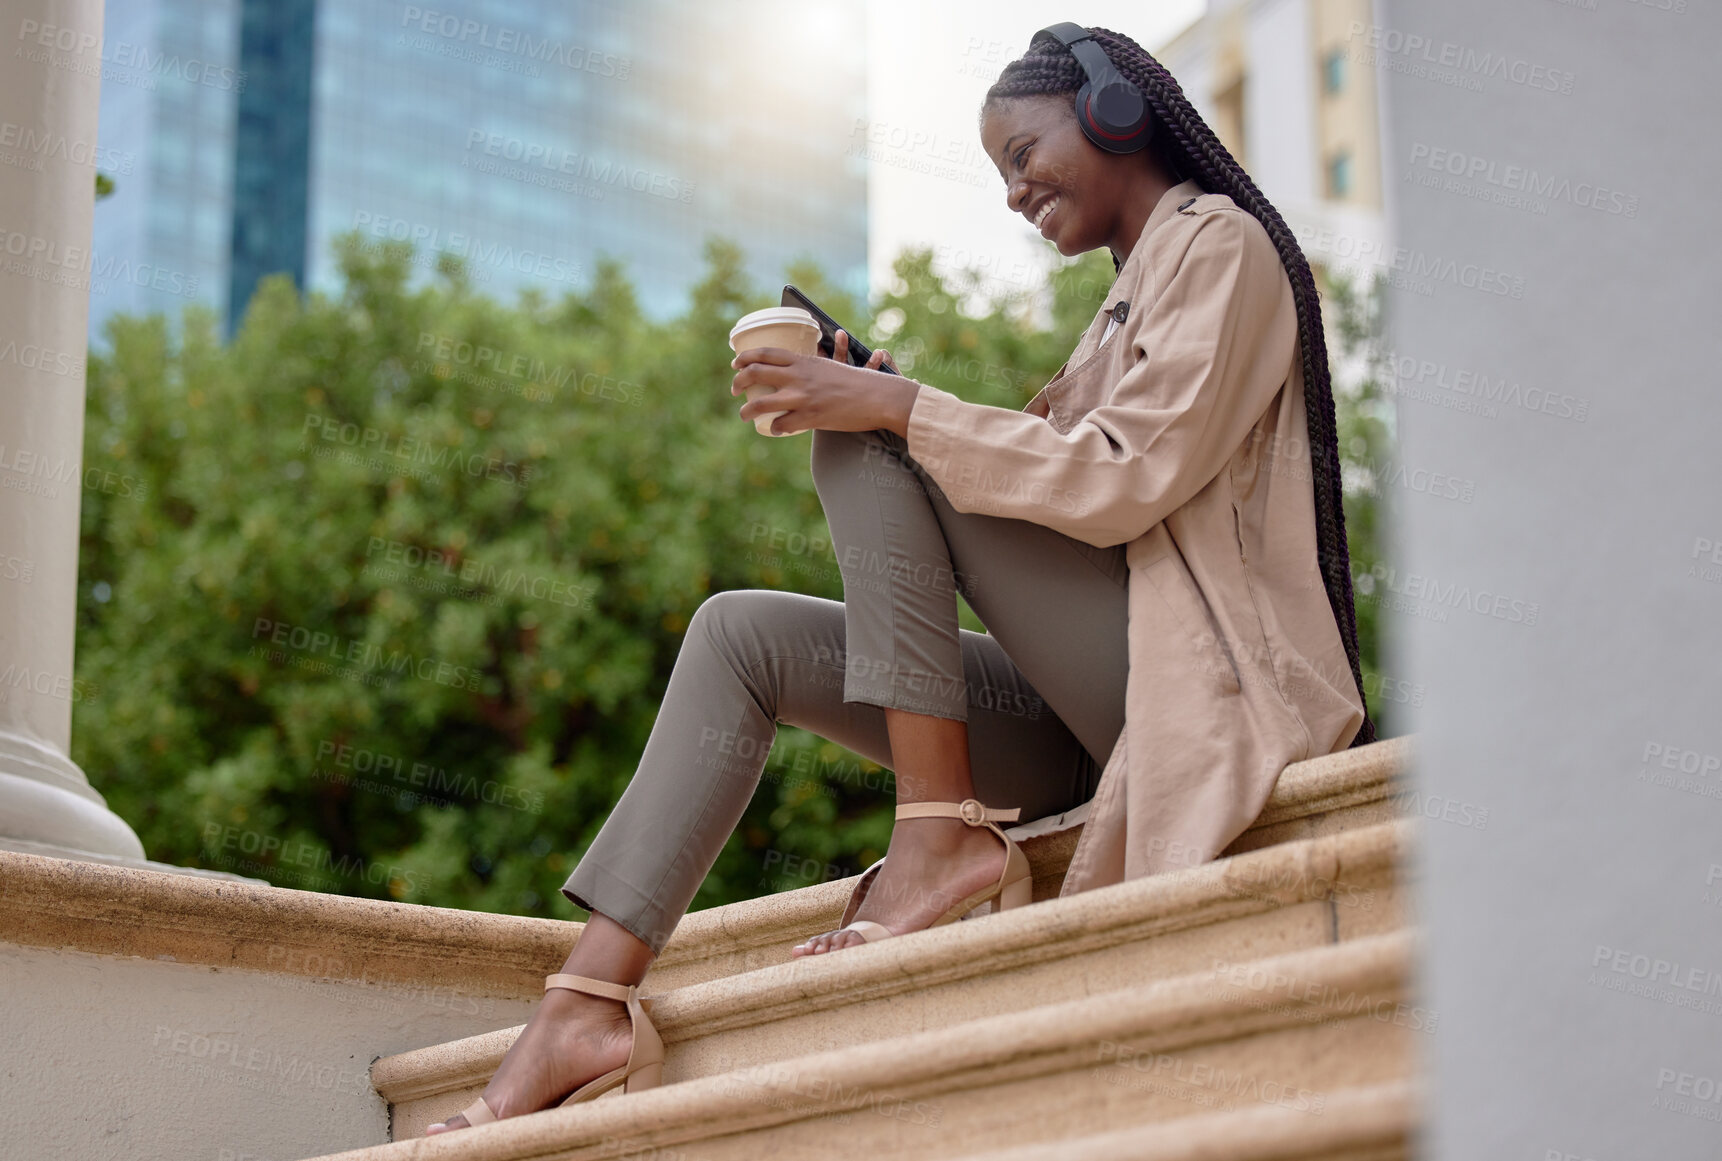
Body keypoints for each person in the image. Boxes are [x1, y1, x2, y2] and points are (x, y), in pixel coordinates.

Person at [426, 23, 1371, 1134]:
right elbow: (1036, 498)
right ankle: (586, 1001)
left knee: (875, 437)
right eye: (999, 173)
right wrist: (891, 397)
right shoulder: (1125, 298)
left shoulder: (1222, 248)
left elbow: (1121, 481)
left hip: (1199, 685)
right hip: (1095, 706)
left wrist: (895, 412)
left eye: (1023, 154)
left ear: (1117, 111)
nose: (1015, 191)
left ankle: (937, 837)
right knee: (741, 633)